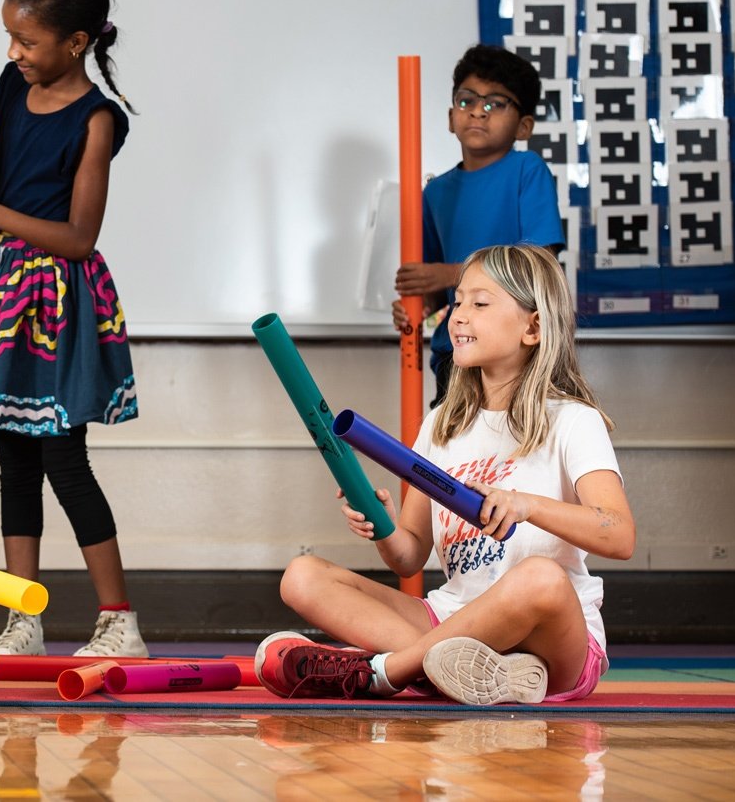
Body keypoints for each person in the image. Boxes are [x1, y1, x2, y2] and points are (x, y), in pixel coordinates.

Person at [259, 245, 634, 706]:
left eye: (479, 303)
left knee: (541, 576)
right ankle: (475, 674)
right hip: (453, 624)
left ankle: (387, 671)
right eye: (457, 302)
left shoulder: (573, 420)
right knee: (301, 576)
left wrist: (526, 505)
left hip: (553, 644)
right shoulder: (441, 424)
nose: (458, 316)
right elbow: (408, 557)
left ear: (533, 327)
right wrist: (380, 522)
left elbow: (620, 536)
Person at [0, 0, 145, 670]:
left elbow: (80, 237)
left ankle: (118, 619)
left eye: (27, 41)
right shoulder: (11, 89)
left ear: (76, 42)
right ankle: (24, 613)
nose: (14, 52)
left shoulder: (97, 119)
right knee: (12, 458)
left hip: (57, 297)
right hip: (2, 289)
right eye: (9, 37)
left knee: (61, 456)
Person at [394, 44, 565, 407]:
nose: (477, 112)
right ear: (450, 117)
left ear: (524, 126)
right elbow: (434, 294)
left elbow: (539, 265)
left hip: (518, 355)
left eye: (495, 104)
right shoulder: (435, 192)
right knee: (451, 456)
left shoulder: (527, 171)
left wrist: (451, 274)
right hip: (455, 354)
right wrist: (416, 306)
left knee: (514, 456)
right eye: (467, 100)